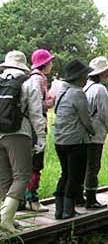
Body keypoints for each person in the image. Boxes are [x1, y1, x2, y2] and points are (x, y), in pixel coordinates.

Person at [0, 51, 46, 232]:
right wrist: (41, 137)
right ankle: (5, 218)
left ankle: (8, 216)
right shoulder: (29, 83)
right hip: (18, 133)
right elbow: (36, 113)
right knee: (22, 176)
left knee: (4, 177)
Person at [53, 59, 95, 219]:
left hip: (60, 140)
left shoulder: (62, 91)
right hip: (76, 141)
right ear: (78, 77)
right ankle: (68, 211)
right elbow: (86, 120)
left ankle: (59, 210)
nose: (86, 79)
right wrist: (92, 132)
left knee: (65, 174)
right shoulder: (78, 93)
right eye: (85, 75)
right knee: (75, 176)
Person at [23, 49, 55, 212]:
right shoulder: (39, 80)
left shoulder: (28, 78)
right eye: (50, 61)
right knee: (36, 164)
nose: (52, 64)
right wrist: (51, 102)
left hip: (24, 127)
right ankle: (33, 200)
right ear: (45, 64)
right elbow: (36, 105)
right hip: (36, 127)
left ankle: (21, 200)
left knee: (24, 165)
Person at [82, 56, 108, 209]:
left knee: (83, 165)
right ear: (102, 73)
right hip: (95, 133)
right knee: (93, 166)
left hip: (82, 133)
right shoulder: (99, 89)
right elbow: (106, 114)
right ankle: (91, 199)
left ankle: (80, 196)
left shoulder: (84, 87)